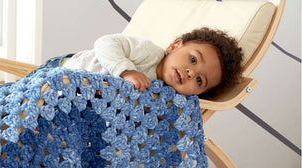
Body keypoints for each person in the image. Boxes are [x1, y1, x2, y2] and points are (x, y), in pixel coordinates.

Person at [61, 27, 244, 98]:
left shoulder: (166, 99)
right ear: (175, 46)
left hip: (83, 100)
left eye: (199, 81)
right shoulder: (148, 53)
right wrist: (126, 71)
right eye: (193, 59)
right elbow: (105, 43)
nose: (191, 73)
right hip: (66, 71)